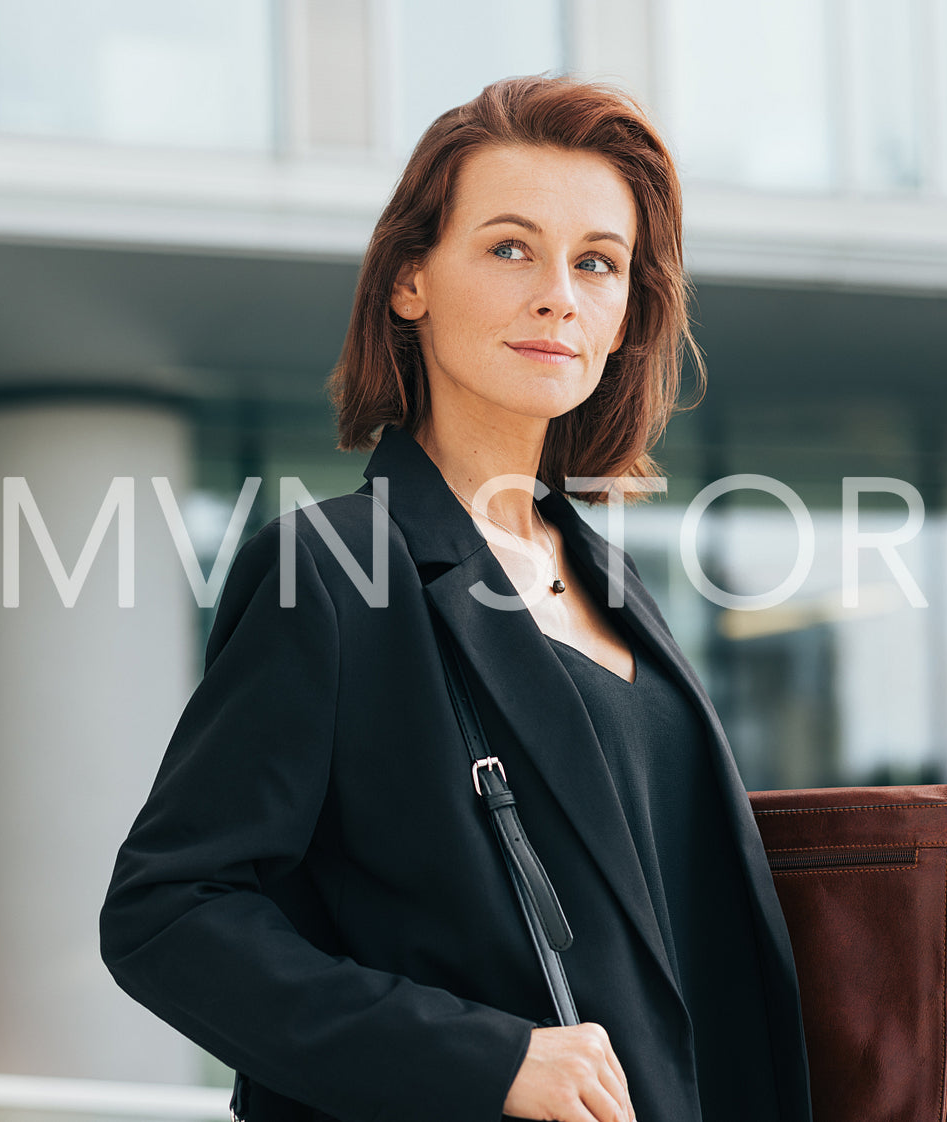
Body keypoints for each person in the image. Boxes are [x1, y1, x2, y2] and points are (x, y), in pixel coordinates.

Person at [100, 74, 813, 1122]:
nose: (556, 294)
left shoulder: (620, 592)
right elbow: (167, 916)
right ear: (408, 282)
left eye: (596, 263)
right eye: (509, 247)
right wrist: (485, 1061)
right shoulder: (334, 573)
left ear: (624, 317)